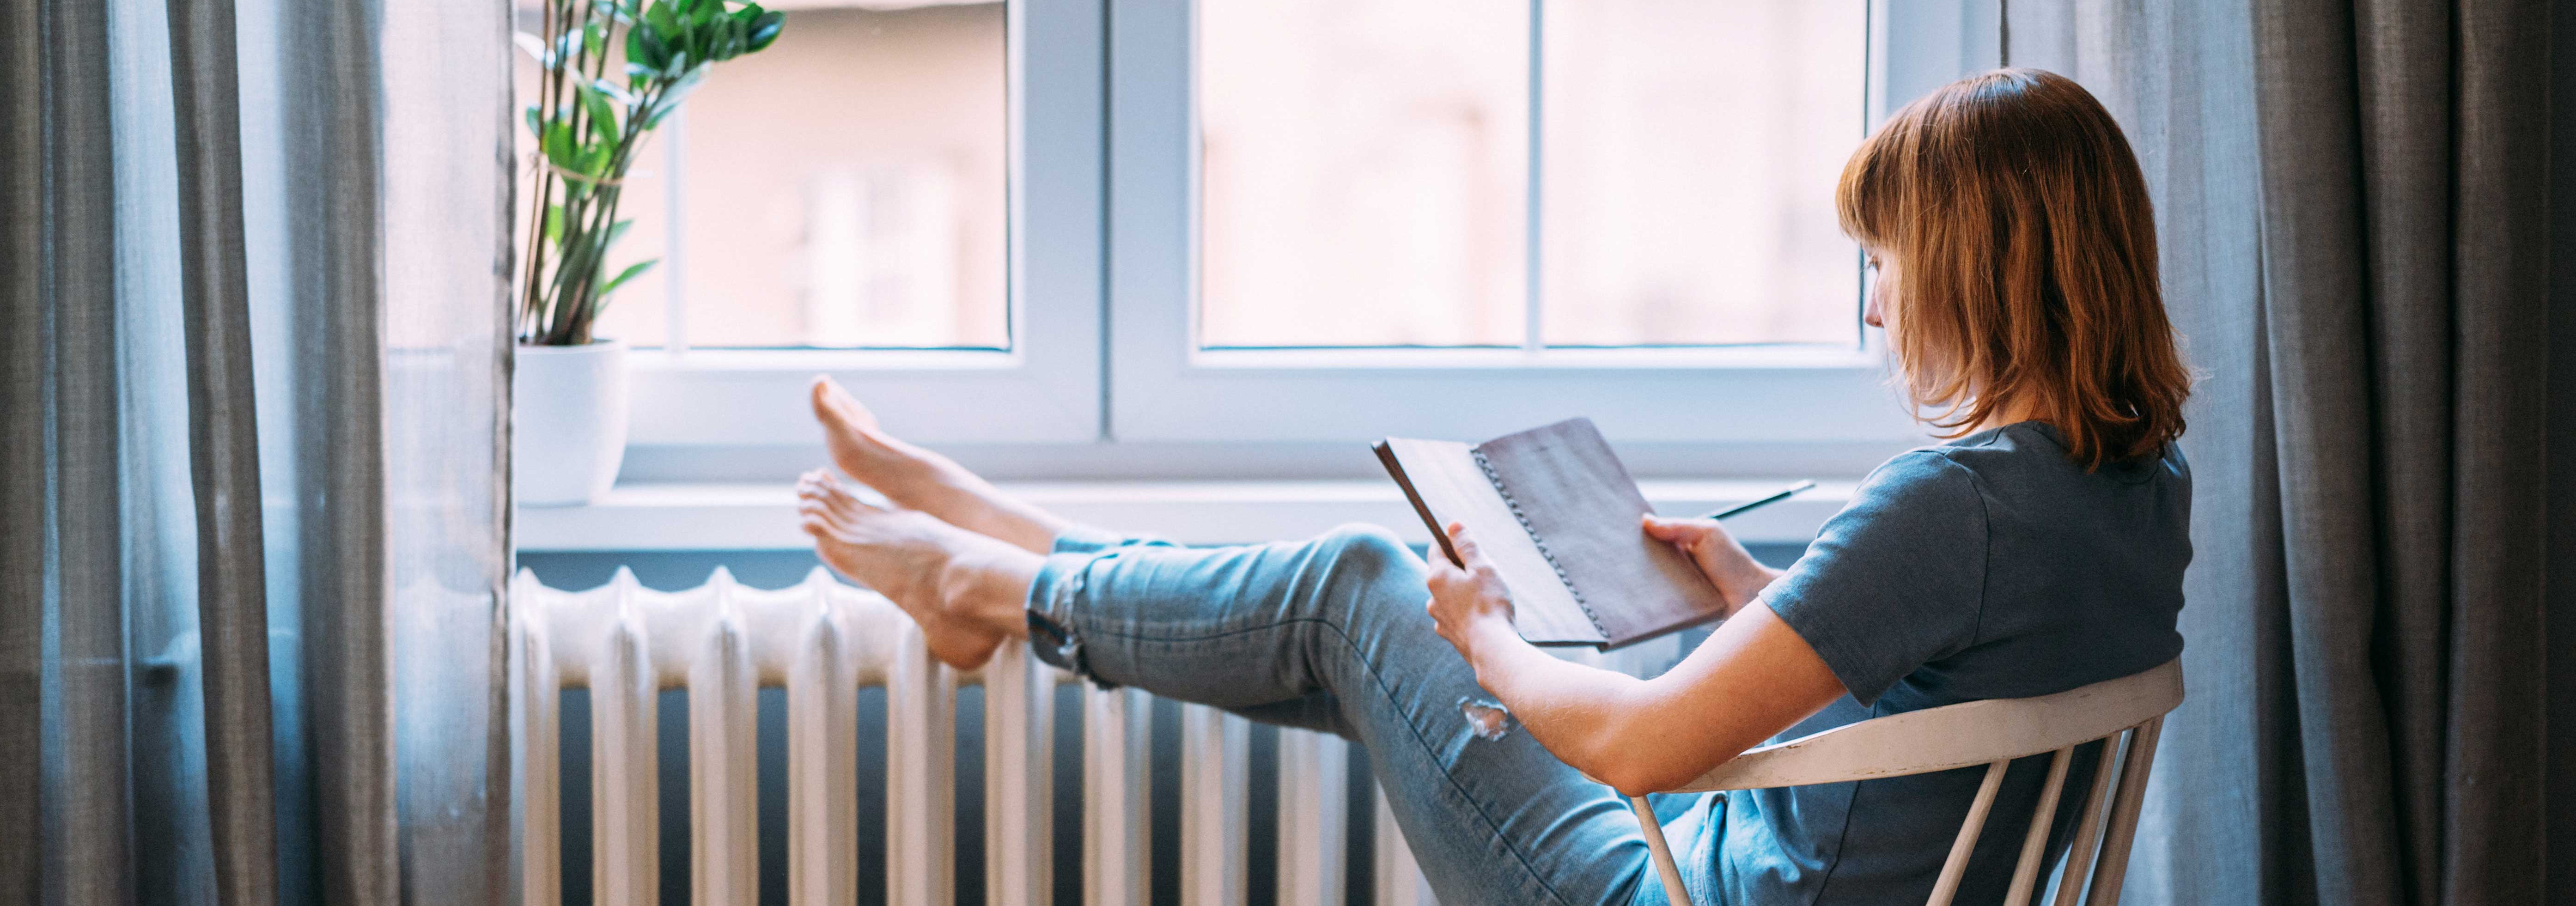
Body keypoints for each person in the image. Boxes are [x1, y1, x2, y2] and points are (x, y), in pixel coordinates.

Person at [793, 67, 2192, 906]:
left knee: (1356, 589)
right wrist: (1757, 592)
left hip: (1665, 882)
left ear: (1975, 269)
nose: (1877, 311)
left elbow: (1645, 750)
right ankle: (1031, 558)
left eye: (1885, 264)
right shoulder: (2130, 486)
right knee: (1339, 620)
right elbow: (1961, 672)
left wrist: (1491, 635)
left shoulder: (1948, 504)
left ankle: (996, 579)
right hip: (1759, 865)